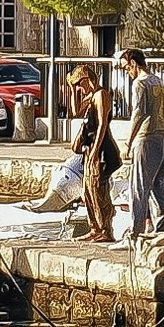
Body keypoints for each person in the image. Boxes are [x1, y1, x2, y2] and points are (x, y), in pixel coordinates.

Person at [116, 47, 164, 240]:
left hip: (147, 138)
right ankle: (162, 232)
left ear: (134, 63)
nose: (127, 72)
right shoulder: (158, 82)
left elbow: (138, 113)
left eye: (127, 68)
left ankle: (135, 232)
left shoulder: (140, 84)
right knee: (161, 188)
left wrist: (128, 142)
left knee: (139, 188)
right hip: (163, 137)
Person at [66, 73, 116, 240]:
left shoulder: (101, 95)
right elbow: (75, 111)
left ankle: (105, 230)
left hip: (100, 149)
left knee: (98, 190)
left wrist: (95, 149)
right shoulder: (91, 96)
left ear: (87, 79)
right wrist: (72, 90)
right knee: (87, 191)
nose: (80, 88)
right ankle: (95, 228)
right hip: (90, 149)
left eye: (80, 84)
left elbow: (102, 124)